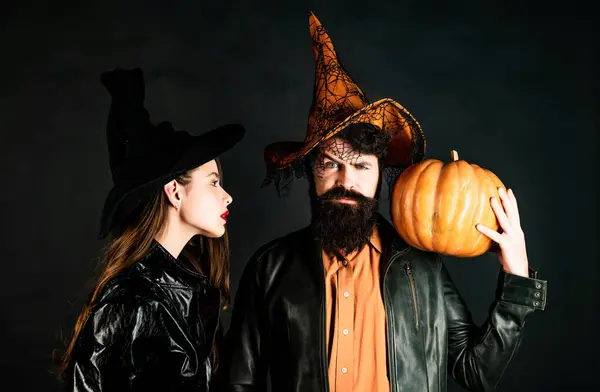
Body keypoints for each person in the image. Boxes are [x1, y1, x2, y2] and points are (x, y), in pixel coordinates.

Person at [218, 12, 547, 392]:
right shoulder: (269, 268)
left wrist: (517, 281)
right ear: (312, 172)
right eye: (331, 164)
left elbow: (476, 373)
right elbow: (238, 383)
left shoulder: (422, 268)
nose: (347, 182)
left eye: (361, 166)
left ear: (380, 174)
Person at [57, 68, 245, 391]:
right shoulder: (126, 301)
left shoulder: (201, 294)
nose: (227, 196)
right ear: (175, 192)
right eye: (214, 183)